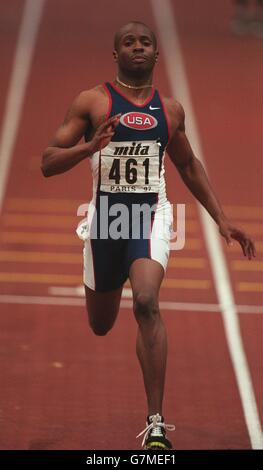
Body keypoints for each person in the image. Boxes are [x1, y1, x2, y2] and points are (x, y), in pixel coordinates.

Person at [41, 21, 255, 450]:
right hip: (105, 220)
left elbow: (188, 165)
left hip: (150, 216)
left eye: (145, 43)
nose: (137, 47)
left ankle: (156, 423)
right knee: (101, 325)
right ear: (115, 54)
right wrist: (89, 147)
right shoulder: (92, 102)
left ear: (156, 55)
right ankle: (109, 279)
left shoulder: (170, 111)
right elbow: (48, 162)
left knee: (145, 301)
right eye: (128, 42)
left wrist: (221, 217)